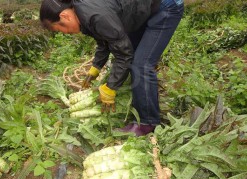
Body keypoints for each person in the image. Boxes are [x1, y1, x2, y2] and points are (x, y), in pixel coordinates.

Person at [40, 0, 184, 136]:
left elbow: (124, 54)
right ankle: (141, 104)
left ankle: (147, 122)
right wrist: (96, 66)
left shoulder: (95, 14)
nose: (64, 33)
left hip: (165, 6)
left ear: (64, 16)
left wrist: (111, 87)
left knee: (141, 65)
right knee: (134, 55)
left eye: (59, 29)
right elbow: (105, 38)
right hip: (144, 7)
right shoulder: (83, 12)